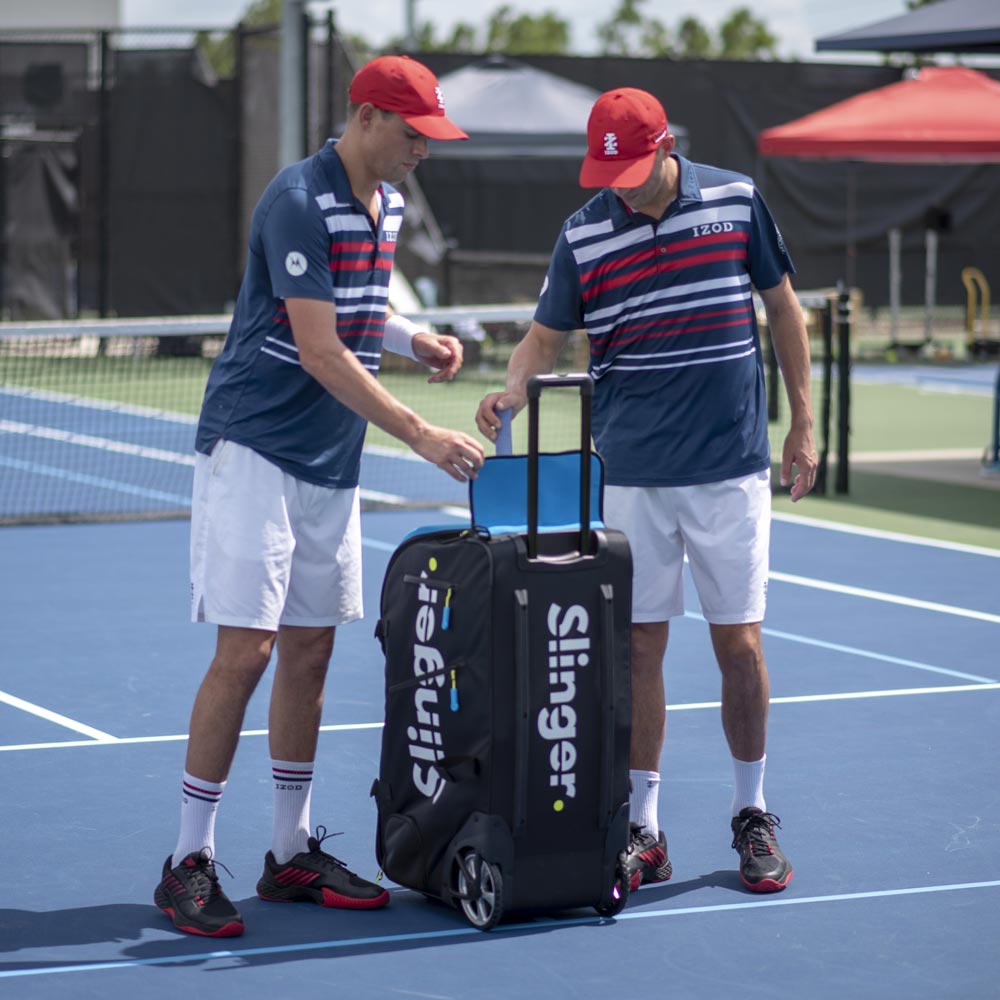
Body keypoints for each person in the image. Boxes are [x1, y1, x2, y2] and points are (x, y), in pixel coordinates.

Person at [154, 55, 484, 938]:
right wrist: (419, 433)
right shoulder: (298, 198)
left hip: (329, 466)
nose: (424, 150)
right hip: (256, 450)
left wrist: (413, 337)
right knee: (248, 651)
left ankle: (290, 850)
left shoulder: (390, 203)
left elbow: (356, 311)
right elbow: (319, 349)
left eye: (432, 137)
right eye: (415, 133)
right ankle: (188, 860)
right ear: (368, 117)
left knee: (308, 654)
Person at [475, 87, 816, 895]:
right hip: (627, 477)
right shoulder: (583, 231)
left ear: (668, 148)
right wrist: (513, 389)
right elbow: (543, 335)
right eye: (607, 172)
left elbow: (784, 307)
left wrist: (804, 423)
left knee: (740, 648)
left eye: (630, 169)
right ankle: (644, 828)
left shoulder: (736, 200)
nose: (619, 186)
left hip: (729, 472)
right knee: (638, 650)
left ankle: (752, 812)